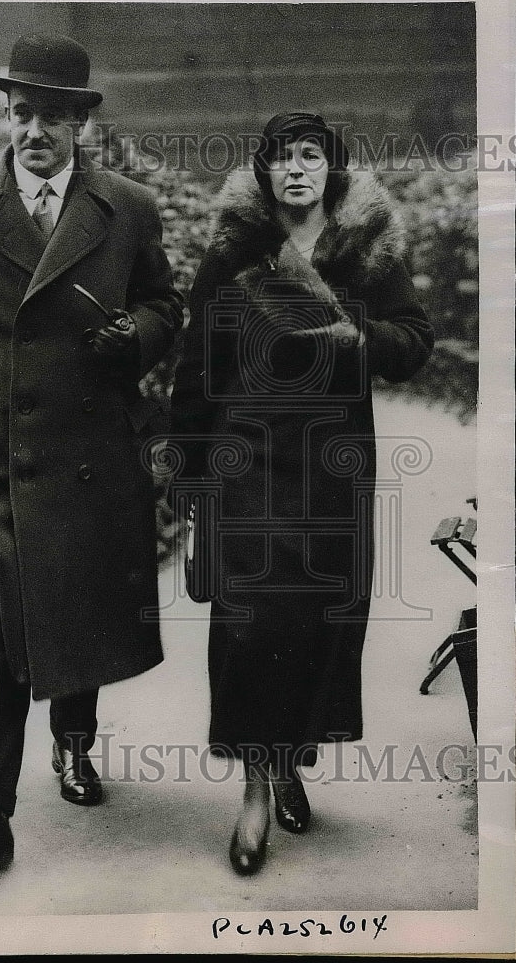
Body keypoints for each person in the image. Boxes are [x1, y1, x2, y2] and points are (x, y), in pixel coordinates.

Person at [0, 33, 183, 864]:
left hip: (88, 447)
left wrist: (138, 334)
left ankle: (74, 740)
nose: (35, 132)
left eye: (53, 118)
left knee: (73, 609)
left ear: (78, 125)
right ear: (10, 117)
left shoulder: (126, 207)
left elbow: (165, 303)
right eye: (23, 114)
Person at [168, 112, 433, 875]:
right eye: (281, 157)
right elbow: (198, 361)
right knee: (250, 627)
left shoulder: (366, 250)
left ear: (330, 168)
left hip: (332, 470)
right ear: (263, 170)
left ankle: (288, 761)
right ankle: (254, 795)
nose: (295, 170)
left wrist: (357, 330)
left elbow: (412, 343)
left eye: (309, 156)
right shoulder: (233, 251)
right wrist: (188, 472)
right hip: (245, 464)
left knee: (317, 625)